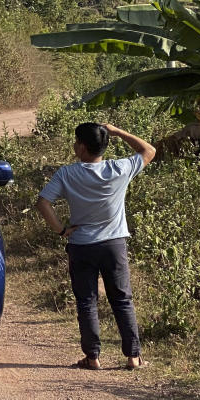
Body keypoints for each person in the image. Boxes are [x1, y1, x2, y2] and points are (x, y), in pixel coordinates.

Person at [36, 122, 157, 371]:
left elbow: (43, 203)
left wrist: (61, 229)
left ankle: (93, 357)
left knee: (86, 302)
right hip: (114, 245)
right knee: (122, 300)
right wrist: (119, 132)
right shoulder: (120, 168)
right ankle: (133, 357)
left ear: (81, 147)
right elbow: (149, 151)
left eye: (75, 141)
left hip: (81, 246)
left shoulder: (67, 173)